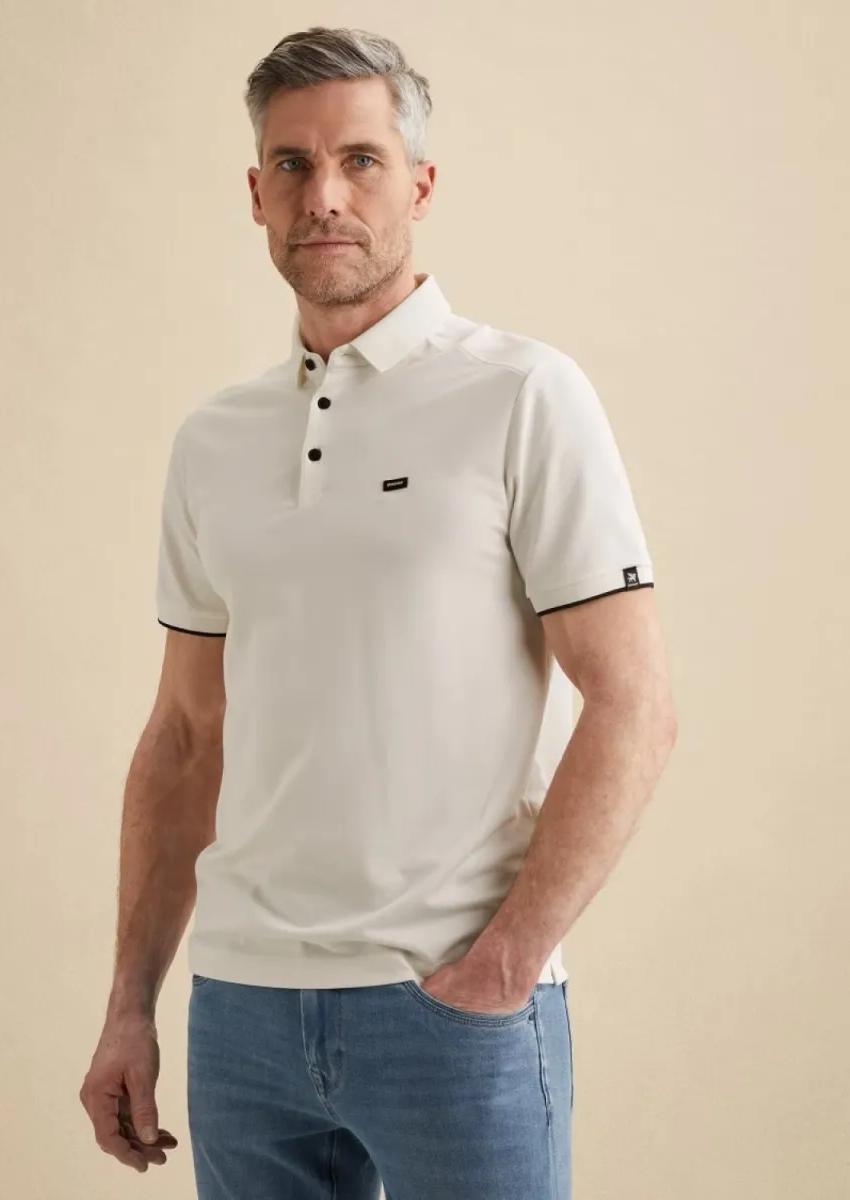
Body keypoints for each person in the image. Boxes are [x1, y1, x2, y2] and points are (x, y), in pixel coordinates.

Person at [79, 25, 678, 1200]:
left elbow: (635, 704)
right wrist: (129, 1006)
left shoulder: (523, 393)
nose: (325, 196)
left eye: (361, 159)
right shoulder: (214, 440)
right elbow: (186, 735)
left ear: (421, 185)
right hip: (241, 1014)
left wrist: (505, 965)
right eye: (293, 165)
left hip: (450, 1008)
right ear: (257, 194)